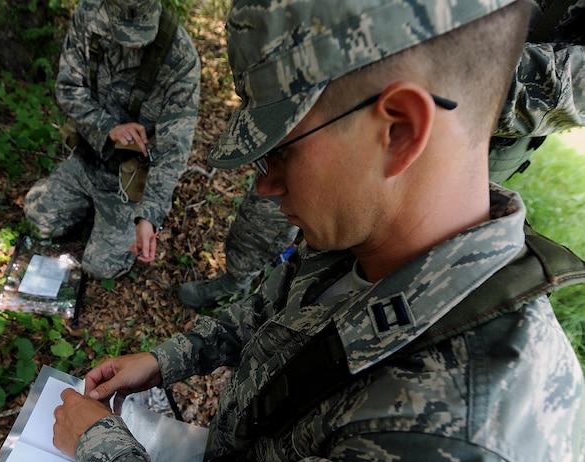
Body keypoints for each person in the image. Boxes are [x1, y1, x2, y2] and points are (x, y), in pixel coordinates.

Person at [52, 0, 585, 462]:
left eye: (281, 150)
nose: (263, 183)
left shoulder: (456, 461)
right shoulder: (371, 230)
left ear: (399, 130)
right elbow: (274, 310)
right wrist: (166, 360)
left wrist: (100, 450)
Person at [178, 0, 585, 309]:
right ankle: (253, 292)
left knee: (368, 255)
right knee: (309, 231)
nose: (266, 182)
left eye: (282, 155)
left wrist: (445, 64)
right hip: (345, 110)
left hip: (453, 145)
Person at [22, 0, 200, 280]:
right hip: (87, 159)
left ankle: (112, 219)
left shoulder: (179, 57)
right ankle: (88, 207)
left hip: (128, 181)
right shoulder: (90, 15)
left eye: (142, 35)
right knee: (38, 221)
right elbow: (69, 88)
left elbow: (173, 151)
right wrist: (108, 128)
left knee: (101, 267)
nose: (134, 46)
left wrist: (148, 216)